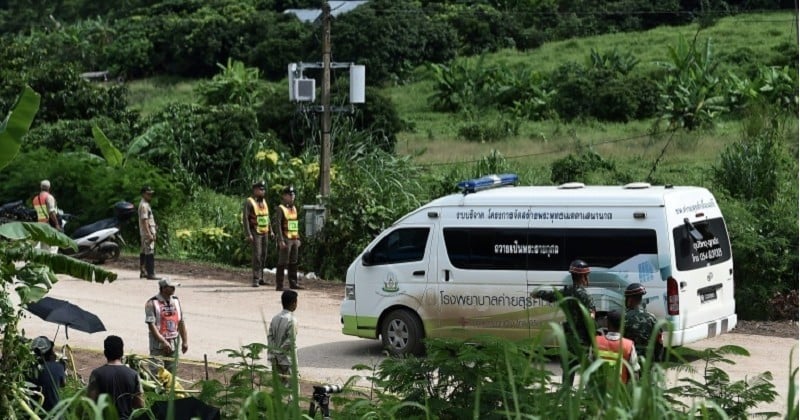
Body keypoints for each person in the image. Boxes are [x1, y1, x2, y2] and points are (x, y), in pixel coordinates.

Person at [532, 259, 596, 387]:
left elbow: (549, 295)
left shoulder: (566, 291)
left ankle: (566, 394)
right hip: (582, 338)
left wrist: (536, 293)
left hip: (568, 336)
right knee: (587, 368)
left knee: (568, 368)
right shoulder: (585, 296)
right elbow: (591, 318)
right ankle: (590, 396)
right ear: (584, 276)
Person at [87, 335, 144, 420]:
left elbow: (90, 402)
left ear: (105, 352)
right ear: (122, 352)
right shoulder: (134, 374)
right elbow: (140, 404)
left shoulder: (96, 374)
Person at [145, 278, 188, 372]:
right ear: (163, 288)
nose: (174, 288)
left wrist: (185, 341)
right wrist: (163, 341)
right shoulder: (151, 303)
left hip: (173, 343)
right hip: (157, 345)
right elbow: (151, 325)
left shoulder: (176, 301)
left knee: (172, 373)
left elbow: (181, 321)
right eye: (171, 287)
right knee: (157, 373)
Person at [623, 283, 664, 363]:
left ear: (630, 300)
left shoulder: (624, 317)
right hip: (648, 361)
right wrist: (657, 362)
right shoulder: (652, 318)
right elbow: (659, 343)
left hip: (630, 361)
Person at [273, 185, 304, 290]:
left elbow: (295, 224)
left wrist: (298, 238)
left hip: (294, 238)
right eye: (290, 194)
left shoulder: (294, 208)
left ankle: (293, 283)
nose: (293, 196)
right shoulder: (280, 209)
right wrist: (281, 240)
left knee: (294, 261)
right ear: (284, 196)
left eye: (293, 194)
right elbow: (278, 225)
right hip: (286, 238)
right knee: (282, 261)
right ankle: (280, 285)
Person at [596, 310, 640, 384]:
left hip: (599, 391)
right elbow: (635, 372)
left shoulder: (596, 341)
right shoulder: (628, 345)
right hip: (620, 392)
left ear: (607, 323)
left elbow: (589, 367)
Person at [243, 180, 272, 287]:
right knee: (257, 255)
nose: (263, 191)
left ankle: (261, 278)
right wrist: (248, 234)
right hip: (255, 232)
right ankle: (255, 278)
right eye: (261, 189)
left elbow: (266, 216)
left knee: (263, 255)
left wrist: (271, 230)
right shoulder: (249, 202)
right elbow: (245, 219)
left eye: (264, 189)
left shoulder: (264, 201)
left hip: (265, 232)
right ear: (255, 190)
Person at [268, 290, 299, 387]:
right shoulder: (292, 320)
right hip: (287, 359)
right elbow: (290, 341)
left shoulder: (275, 318)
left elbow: (270, 337)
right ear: (294, 303)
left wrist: (275, 352)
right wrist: (280, 352)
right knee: (292, 385)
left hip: (275, 359)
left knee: (278, 386)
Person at [29, 336, 66, 412]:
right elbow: (63, 384)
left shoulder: (28, 368)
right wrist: (62, 367)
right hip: (55, 412)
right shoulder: (58, 366)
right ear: (50, 352)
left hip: (33, 411)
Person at [32, 179, 61, 253]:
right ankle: (51, 263)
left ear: (40, 187)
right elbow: (51, 212)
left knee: (44, 247)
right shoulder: (49, 197)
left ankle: (43, 262)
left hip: (40, 225)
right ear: (49, 187)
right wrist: (57, 224)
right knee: (53, 246)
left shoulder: (35, 199)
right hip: (49, 225)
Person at [138, 185, 161, 280]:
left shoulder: (145, 204)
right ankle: (150, 273)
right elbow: (144, 220)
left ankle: (143, 272)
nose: (150, 195)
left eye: (151, 194)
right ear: (143, 194)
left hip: (146, 231)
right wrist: (149, 234)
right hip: (147, 232)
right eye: (148, 194)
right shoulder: (144, 205)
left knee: (144, 251)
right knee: (149, 252)